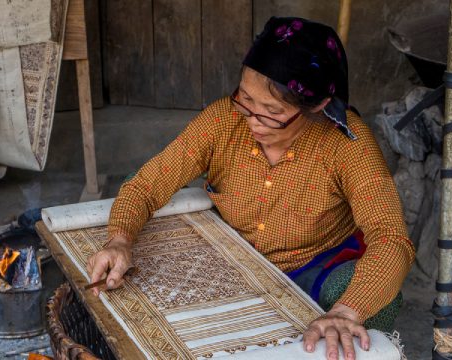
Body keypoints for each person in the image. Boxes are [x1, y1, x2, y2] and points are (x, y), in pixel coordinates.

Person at [86, 16, 414, 360]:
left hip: (311, 265)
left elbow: (391, 237)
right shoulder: (222, 120)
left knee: (376, 298)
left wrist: (347, 312)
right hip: (229, 257)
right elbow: (145, 185)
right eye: (245, 99)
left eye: (271, 111)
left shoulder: (348, 144)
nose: (252, 119)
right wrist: (119, 240)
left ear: (315, 106)